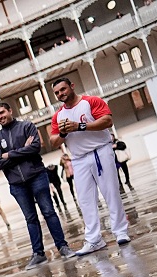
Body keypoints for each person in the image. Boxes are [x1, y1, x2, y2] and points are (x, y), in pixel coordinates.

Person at [0, 102, 77, 270]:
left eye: (2, 112)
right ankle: (38, 254)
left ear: (10, 110)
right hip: (17, 185)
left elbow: (35, 148)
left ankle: (63, 247)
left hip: (37, 176)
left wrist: (10, 154)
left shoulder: (26, 126)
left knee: (49, 212)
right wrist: (24, 149)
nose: (0, 117)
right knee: (30, 218)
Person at [50, 77, 131, 254]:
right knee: (85, 200)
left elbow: (107, 121)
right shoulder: (58, 116)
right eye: (56, 92)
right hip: (78, 159)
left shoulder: (91, 101)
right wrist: (63, 133)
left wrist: (79, 126)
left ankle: (120, 231)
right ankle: (94, 240)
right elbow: (53, 141)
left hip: (100, 151)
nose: (60, 94)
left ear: (72, 86)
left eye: (63, 89)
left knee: (111, 192)